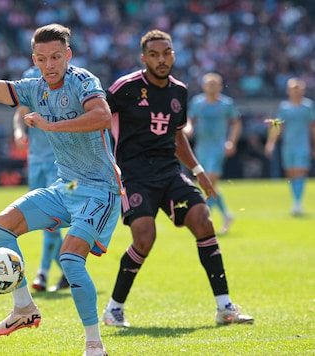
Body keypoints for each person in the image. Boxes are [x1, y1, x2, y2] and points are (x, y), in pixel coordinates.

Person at [0, 24, 123, 356]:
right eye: (42, 58)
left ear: (67, 55)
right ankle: (24, 308)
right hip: (65, 185)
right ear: (34, 59)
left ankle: (94, 345)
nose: (50, 64)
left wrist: (52, 125)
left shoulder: (83, 81)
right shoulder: (33, 88)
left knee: (70, 260)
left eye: (56, 57)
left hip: (100, 190)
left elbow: (101, 116)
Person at [102, 29, 253, 328]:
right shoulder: (124, 88)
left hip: (169, 172)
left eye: (166, 53)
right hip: (134, 175)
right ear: (144, 58)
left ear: (173, 55)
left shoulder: (179, 91)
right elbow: (97, 120)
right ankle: (114, 309)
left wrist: (198, 173)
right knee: (144, 239)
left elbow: (177, 137)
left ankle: (225, 308)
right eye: (154, 55)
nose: (161, 59)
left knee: (203, 220)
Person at [12, 65, 68, 293]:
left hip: (59, 160)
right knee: (45, 219)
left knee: (50, 218)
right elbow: (20, 113)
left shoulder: (68, 77)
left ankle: (42, 273)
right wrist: (18, 131)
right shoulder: (29, 77)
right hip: (35, 159)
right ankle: (67, 271)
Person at [185, 73, 242, 234]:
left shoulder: (226, 104)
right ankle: (226, 214)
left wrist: (231, 141)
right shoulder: (197, 103)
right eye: (208, 84)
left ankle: (203, 218)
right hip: (201, 147)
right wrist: (188, 128)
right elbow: (190, 119)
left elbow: (237, 123)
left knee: (209, 180)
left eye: (214, 84)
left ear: (219, 86)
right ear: (203, 86)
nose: (211, 86)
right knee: (207, 184)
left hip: (217, 147)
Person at [264, 78, 315, 216]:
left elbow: (312, 127)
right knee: (291, 173)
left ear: (303, 90)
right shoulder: (284, 107)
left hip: (303, 145)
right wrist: (271, 143)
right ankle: (295, 200)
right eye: (293, 88)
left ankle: (298, 202)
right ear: (288, 90)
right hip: (288, 146)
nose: (295, 90)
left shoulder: (308, 106)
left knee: (300, 172)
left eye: (298, 87)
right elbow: (278, 127)